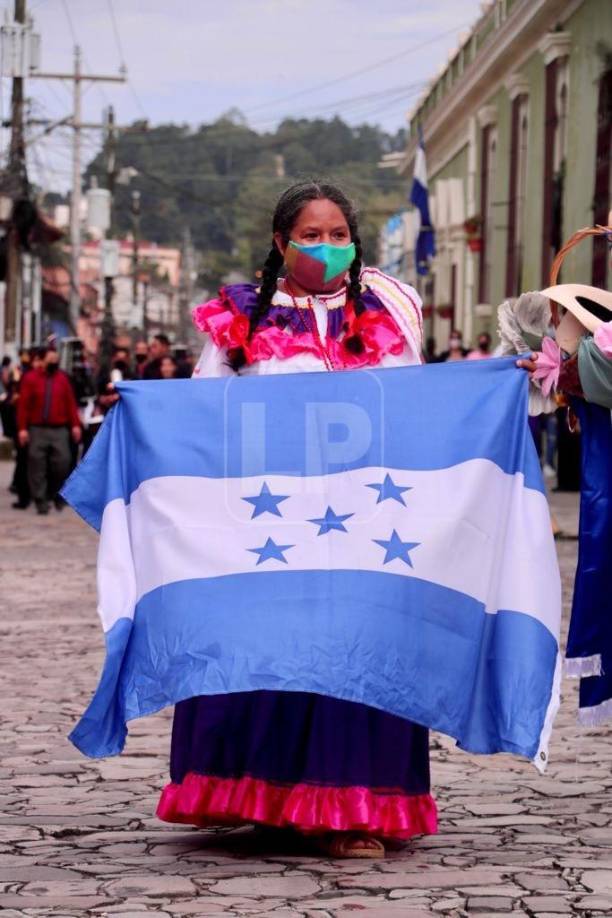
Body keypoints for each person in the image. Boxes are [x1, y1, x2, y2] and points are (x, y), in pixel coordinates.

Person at [16, 347, 81, 515]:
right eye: (50, 359)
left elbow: (70, 403)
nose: (54, 362)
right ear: (43, 360)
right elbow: (23, 405)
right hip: (37, 428)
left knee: (63, 462)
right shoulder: (31, 378)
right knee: (36, 465)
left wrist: (75, 425)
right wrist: (22, 429)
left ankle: (56, 493)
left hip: (59, 429)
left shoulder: (62, 379)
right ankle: (40, 500)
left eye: (56, 359)